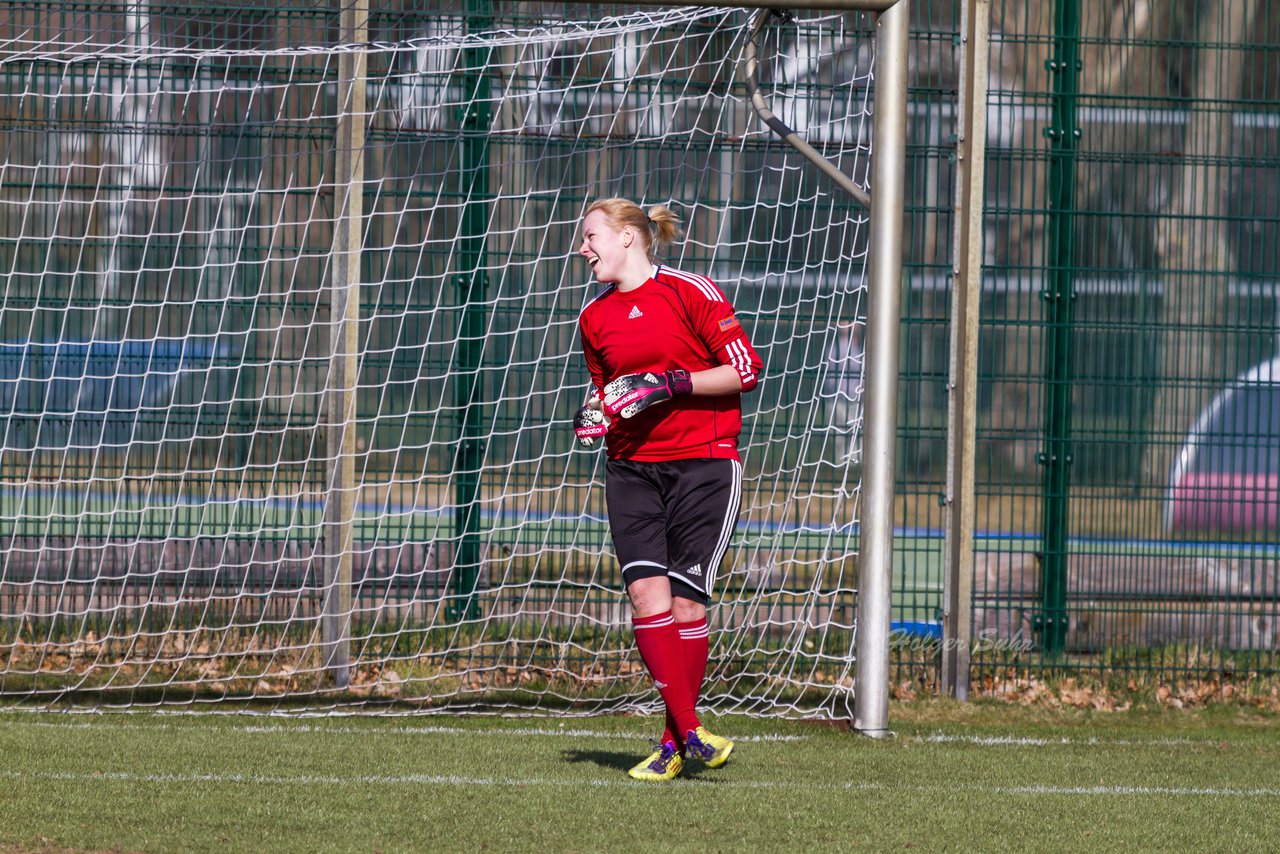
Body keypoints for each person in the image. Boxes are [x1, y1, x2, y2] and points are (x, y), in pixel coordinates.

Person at [573, 197, 763, 782]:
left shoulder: (691, 292)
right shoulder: (594, 319)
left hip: (703, 465)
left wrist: (670, 382)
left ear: (629, 237)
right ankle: (693, 733)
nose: (583, 250)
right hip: (630, 468)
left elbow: (746, 370)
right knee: (644, 599)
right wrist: (594, 414)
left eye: (591, 237)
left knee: (685, 603)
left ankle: (674, 739)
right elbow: (607, 392)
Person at [823, 319, 864, 467]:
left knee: (850, 433)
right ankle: (845, 465)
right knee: (844, 433)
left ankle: (848, 464)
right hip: (841, 397)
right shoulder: (839, 348)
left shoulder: (858, 348)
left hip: (851, 398)